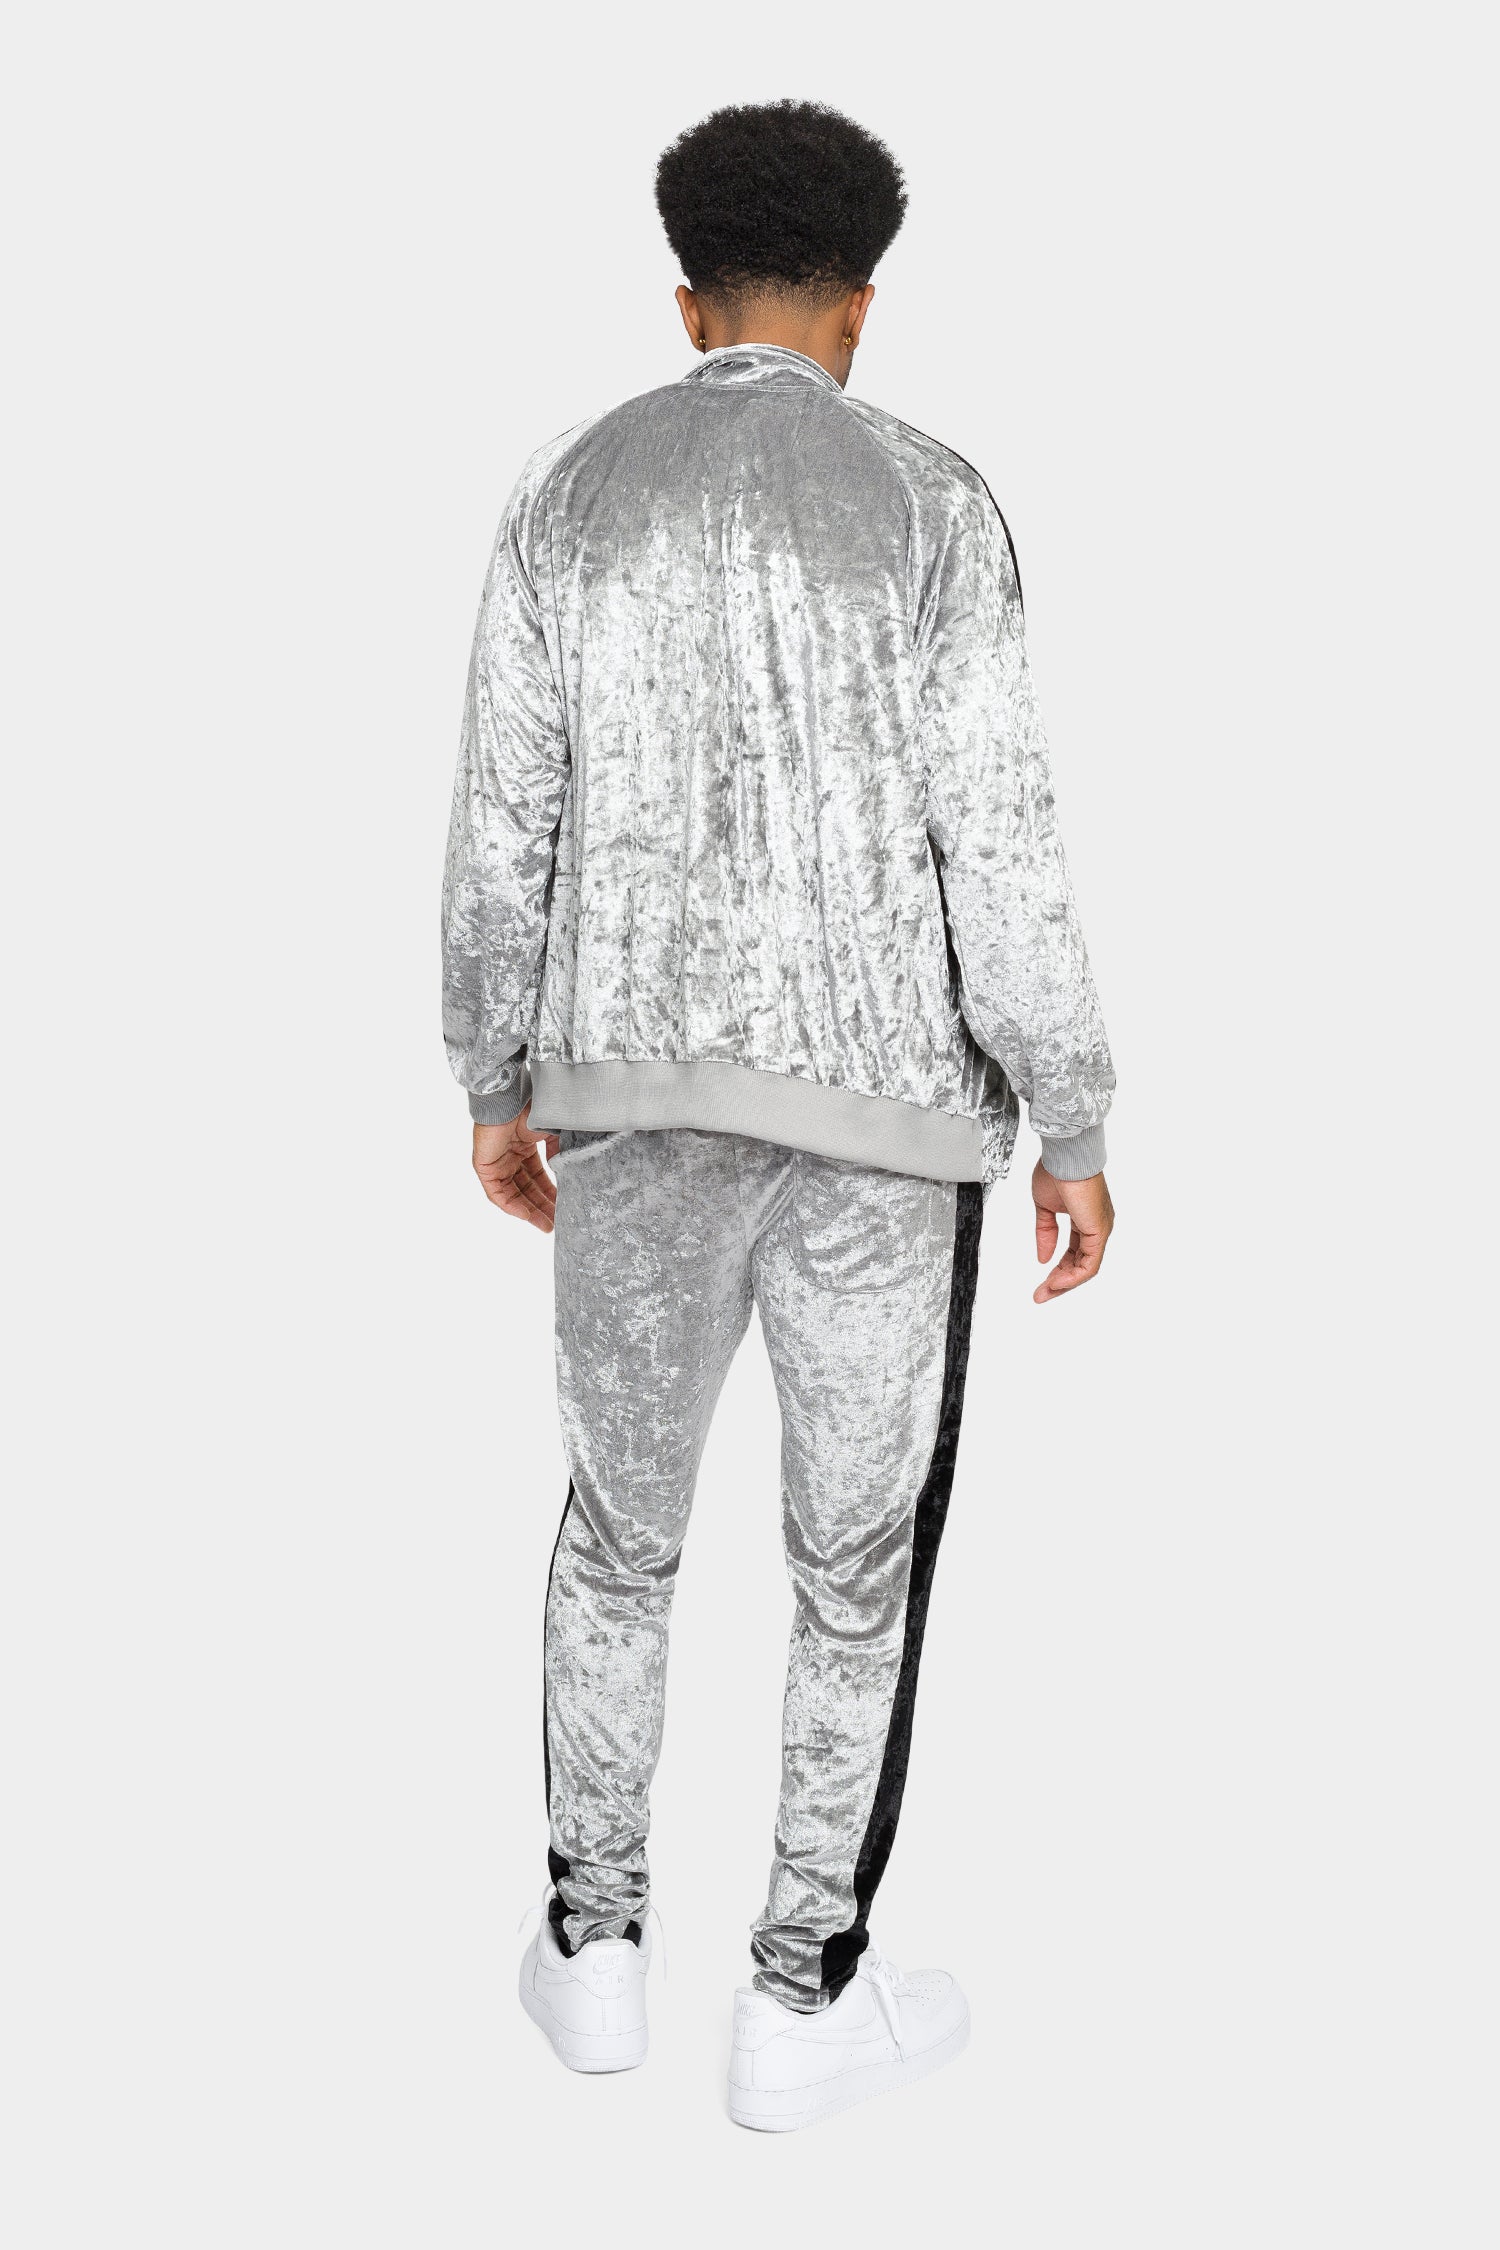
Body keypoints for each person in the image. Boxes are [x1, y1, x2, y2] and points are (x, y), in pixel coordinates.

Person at [441, 98, 1115, 2132]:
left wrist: (496, 1078)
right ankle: (800, 1993)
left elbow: (503, 823)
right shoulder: (936, 501)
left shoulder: (571, 491)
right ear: (861, 309)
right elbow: (1000, 839)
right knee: (855, 1561)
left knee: (617, 1532)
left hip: (628, 1107)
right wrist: (1073, 1113)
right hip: (891, 1133)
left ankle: (594, 1949)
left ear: (686, 303)